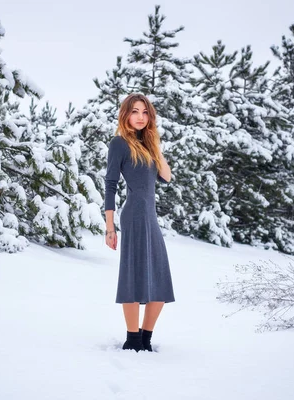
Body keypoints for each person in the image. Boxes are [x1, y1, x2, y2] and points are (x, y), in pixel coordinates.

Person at [104, 93, 175, 352]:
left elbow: (167, 176)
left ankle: (146, 337)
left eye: (145, 112)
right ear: (126, 114)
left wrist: (154, 144)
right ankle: (132, 339)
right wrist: (109, 227)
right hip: (133, 214)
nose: (140, 117)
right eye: (135, 111)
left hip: (150, 217)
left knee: (160, 276)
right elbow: (110, 185)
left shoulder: (148, 145)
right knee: (133, 275)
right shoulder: (119, 144)